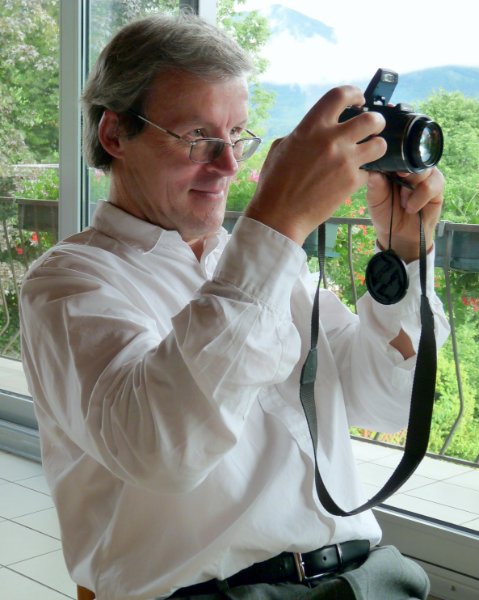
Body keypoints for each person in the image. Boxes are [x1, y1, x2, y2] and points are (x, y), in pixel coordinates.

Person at [20, 11, 449, 600]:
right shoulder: (69, 284)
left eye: (237, 136)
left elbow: (388, 401)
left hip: (368, 577)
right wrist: (278, 222)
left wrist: (402, 258)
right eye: (197, 137)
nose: (227, 166)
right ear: (115, 133)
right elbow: (165, 450)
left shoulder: (263, 264)